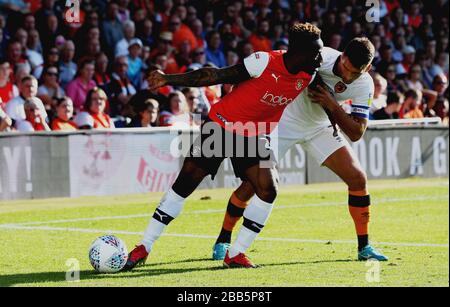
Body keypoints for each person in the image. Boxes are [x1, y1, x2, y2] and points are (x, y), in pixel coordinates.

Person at [123, 22, 323, 271]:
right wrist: (167, 79)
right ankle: (144, 246)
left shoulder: (310, 73)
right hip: (221, 125)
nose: (320, 57)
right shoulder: (263, 61)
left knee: (268, 189)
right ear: (299, 52)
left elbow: (326, 92)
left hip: (253, 134)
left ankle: (236, 253)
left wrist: (335, 118)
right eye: (316, 52)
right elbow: (213, 75)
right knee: (185, 184)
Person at [211, 38, 389, 262]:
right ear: (342, 54)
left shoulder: (365, 84)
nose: (346, 75)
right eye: (345, 66)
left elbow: (356, 132)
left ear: (367, 69)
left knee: (358, 179)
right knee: (252, 184)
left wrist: (332, 106)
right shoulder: (320, 56)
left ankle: (364, 247)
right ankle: (223, 239)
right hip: (283, 123)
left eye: (354, 73)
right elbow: (289, 69)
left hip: (318, 128)